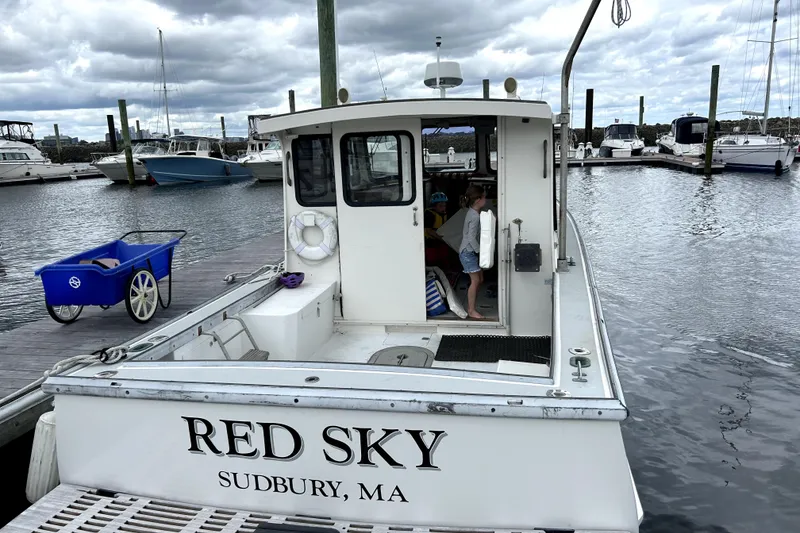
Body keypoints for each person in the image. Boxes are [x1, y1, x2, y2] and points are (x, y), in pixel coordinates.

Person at [458, 184, 486, 319]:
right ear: (478, 200)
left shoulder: (473, 212)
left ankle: (472, 305)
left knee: (480, 279)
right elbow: (470, 237)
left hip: (469, 251)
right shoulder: (475, 216)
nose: (485, 199)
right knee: (475, 281)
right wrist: (480, 251)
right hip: (467, 252)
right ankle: (471, 310)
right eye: (484, 197)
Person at [424, 192, 452, 268]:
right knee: (432, 260)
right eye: (440, 206)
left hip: (441, 241)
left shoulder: (444, 214)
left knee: (444, 258)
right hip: (431, 242)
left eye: (444, 206)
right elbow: (429, 230)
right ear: (434, 206)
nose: (443, 208)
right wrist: (441, 238)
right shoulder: (429, 214)